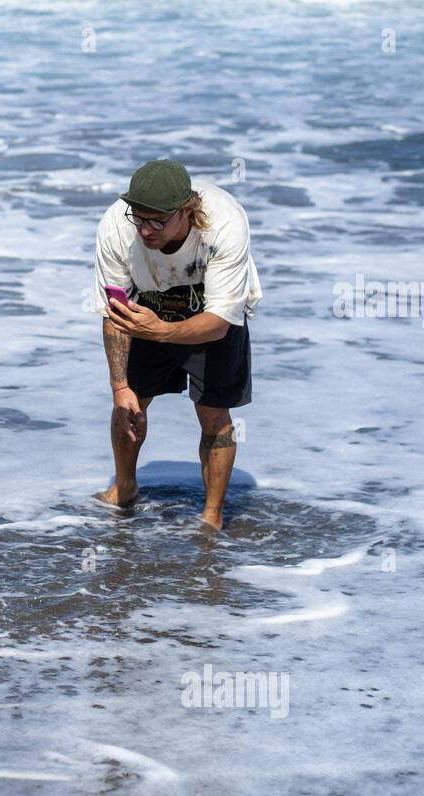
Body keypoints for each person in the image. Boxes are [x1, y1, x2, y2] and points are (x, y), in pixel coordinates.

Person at [94, 159, 262, 530]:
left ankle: (212, 517)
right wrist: (119, 387)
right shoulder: (115, 225)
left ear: (188, 210)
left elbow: (219, 324)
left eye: (157, 221)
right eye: (139, 218)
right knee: (129, 404)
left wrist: (161, 332)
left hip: (213, 309)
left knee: (214, 416)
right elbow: (114, 312)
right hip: (149, 299)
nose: (145, 230)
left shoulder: (225, 224)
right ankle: (124, 489)